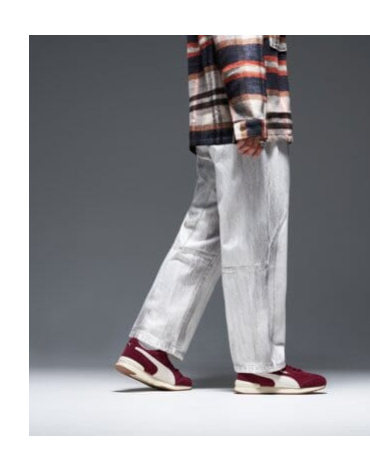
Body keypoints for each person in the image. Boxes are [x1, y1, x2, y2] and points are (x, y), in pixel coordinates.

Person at [115, 35, 327, 394]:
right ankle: (261, 367)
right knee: (258, 242)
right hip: (245, 127)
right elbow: (239, 36)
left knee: (203, 238)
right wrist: (251, 118)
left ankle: (150, 347)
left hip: (216, 125)